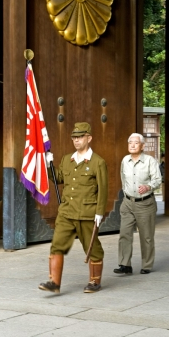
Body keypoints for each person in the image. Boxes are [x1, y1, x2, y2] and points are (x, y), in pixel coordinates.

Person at [39, 122, 108, 294]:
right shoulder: (67, 159)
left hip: (86, 213)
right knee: (57, 245)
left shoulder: (97, 162)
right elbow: (59, 178)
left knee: (92, 247)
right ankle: (54, 282)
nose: (76, 141)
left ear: (89, 138)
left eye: (80, 137)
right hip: (67, 211)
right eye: (74, 138)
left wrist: (100, 212)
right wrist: (49, 165)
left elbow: (103, 189)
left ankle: (94, 281)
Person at [114, 134, 162, 275]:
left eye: (136, 143)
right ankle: (125, 264)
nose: (132, 145)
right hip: (128, 202)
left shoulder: (149, 161)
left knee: (146, 236)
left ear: (142, 146)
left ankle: (146, 265)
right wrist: (127, 194)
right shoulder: (125, 160)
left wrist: (148, 187)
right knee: (124, 233)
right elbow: (123, 180)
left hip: (145, 203)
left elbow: (158, 180)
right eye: (130, 142)